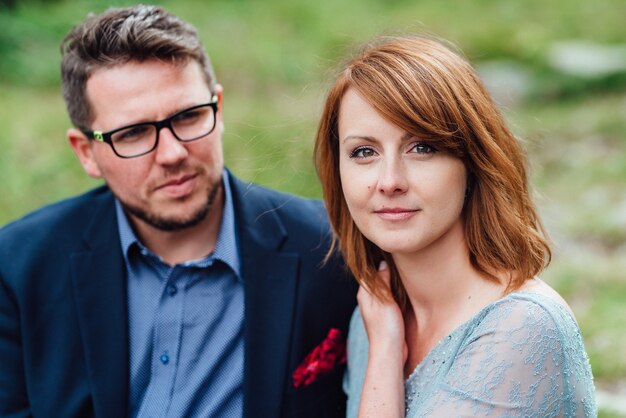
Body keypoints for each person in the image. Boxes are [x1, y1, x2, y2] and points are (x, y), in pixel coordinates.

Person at [0, 5, 357, 418]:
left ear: (218, 108)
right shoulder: (18, 269)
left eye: (188, 117)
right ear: (87, 153)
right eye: (132, 133)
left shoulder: (330, 249)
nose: (172, 154)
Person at [314, 35, 597, 417]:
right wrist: (380, 341)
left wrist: (384, 354)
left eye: (422, 148)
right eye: (364, 152)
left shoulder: (523, 328)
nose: (389, 181)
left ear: (473, 162)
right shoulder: (375, 314)